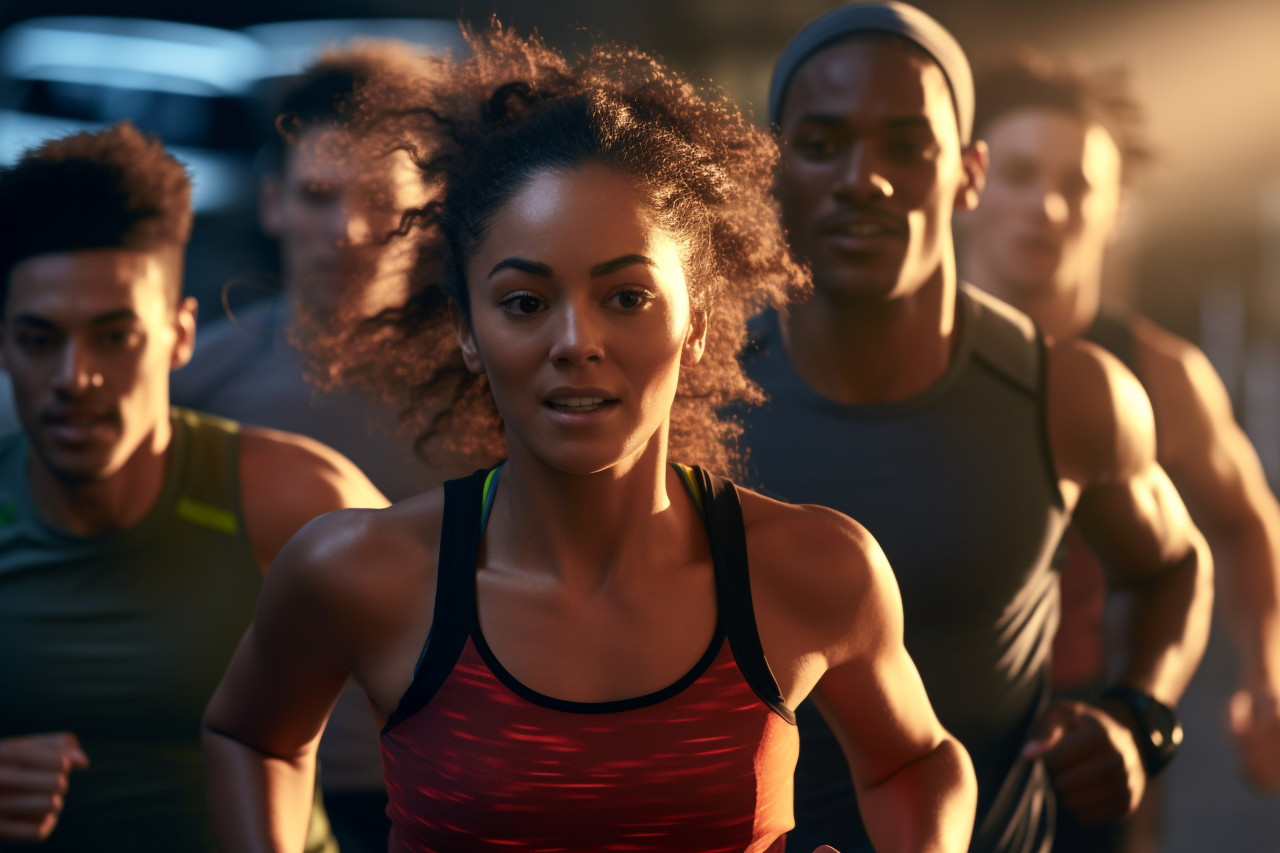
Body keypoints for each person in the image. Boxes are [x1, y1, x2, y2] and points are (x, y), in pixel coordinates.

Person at [202, 23, 979, 853]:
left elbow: (919, 761)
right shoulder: (358, 573)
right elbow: (253, 735)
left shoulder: (816, 569)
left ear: (699, 323)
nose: (575, 340)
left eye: (627, 296)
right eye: (525, 303)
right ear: (467, 329)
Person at [739, 3, 1214, 852]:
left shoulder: (1065, 394)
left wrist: (1140, 714)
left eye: (905, 145)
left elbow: (1177, 562)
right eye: (821, 144)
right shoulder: (697, 394)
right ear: (772, 169)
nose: (863, 178)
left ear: (969, 172)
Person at [0, 123, 386, 850]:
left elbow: (483, 705)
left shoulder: (296, 500)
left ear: (179, 335)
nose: (74, 378)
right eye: (40, 338)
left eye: (116, 337)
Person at [958, 52, 1280, 845]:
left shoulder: (1159, 374)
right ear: (967, 186)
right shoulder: (894, 356)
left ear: (1116, 208)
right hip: (911, 719)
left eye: (1077, 184)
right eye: (1022, 172)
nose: (1048, 205)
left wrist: (1266, 672)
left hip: (1091, 736)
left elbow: (1243, 520)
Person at [169, 44, 474, 853]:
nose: (346, 229)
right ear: (271, 202)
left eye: (380, 198)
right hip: (254, 770)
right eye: (317, 194)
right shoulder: (194, 381)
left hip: (453, 779)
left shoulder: (489, 381)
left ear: (431, 209)